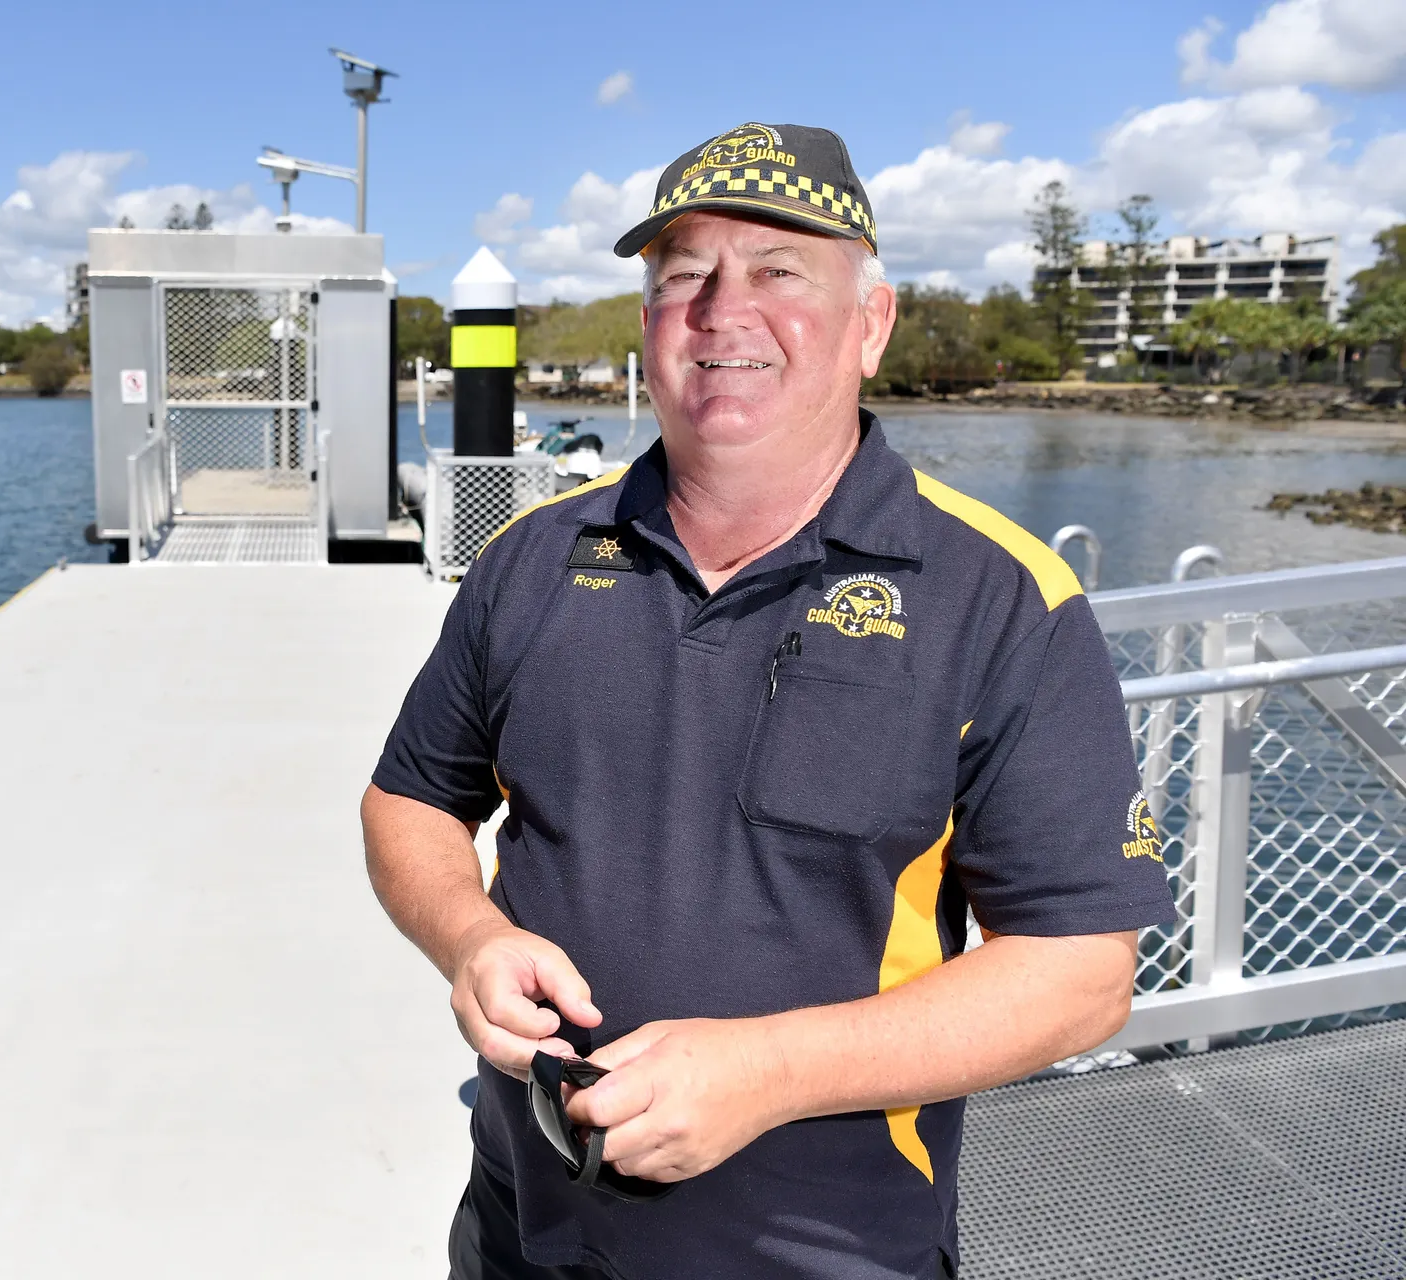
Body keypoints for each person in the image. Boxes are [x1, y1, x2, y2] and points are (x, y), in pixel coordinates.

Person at [362, 121, 1176, 1279]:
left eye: (780, 270)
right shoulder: (533, 558)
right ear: (648, 325)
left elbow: (1082, 970)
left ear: (871, 324)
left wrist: (769, 1070)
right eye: (682, 275)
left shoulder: (1001, 599)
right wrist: (472, 936)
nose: (721, 309)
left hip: (825, 1250)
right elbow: (408, 799)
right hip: (522, 1225)